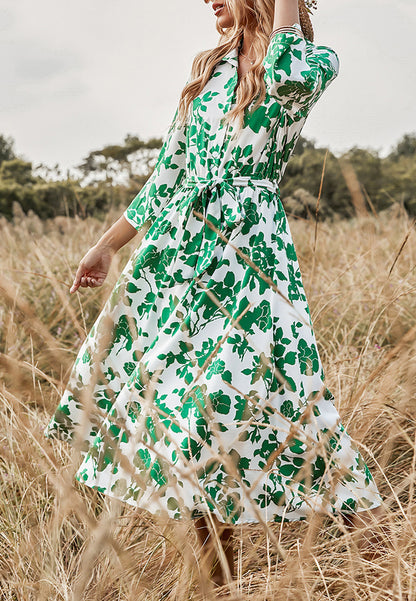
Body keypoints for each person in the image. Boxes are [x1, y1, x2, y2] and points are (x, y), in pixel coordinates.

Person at [44, 0, 387, 589]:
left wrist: (280, 14)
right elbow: (169, 171)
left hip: (249, 258)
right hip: (177, 260)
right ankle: (218, 586)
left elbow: (287, 73)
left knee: (291, 409)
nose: (208, 0)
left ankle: (383, 562)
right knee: (191, 429)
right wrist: (109, 244)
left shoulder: (311, 61)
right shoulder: (209, 69)